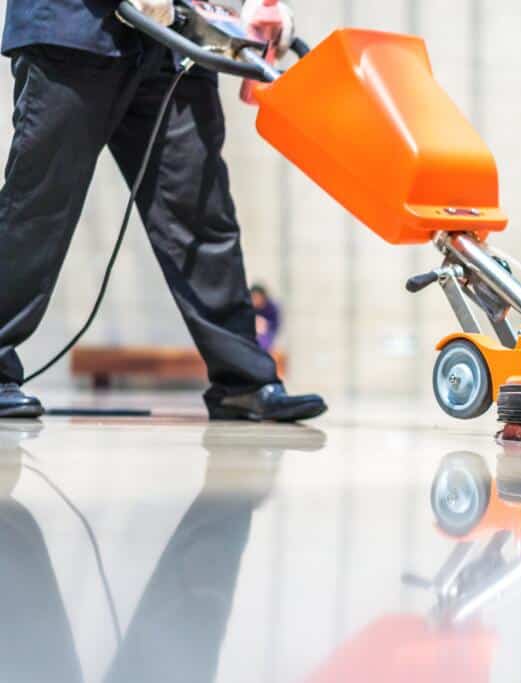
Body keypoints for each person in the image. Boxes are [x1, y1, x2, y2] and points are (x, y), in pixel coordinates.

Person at [0, 0, 326, 421]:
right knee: (39, 206)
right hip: (74, 29)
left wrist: (256, 7)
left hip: (174, 43)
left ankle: (243, 382)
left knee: (201, 213)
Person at [250, 284, 280, 352]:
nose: (255, 300)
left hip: (266, 339)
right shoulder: (249, 307)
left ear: (263, 297)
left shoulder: (272, 308)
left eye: (256, 297)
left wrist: (264, 325)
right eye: (253, 297)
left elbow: (275, 327)